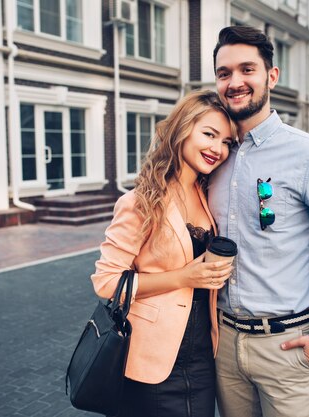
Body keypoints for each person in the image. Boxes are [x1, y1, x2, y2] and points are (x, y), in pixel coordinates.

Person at [208, 26, 309, 417]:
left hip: (289, 348)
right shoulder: (213, 155)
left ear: (272, 75)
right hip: (223, 346)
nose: (235, 82)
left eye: (247, 69)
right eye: (224, 73)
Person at [91, 90, 237, 417]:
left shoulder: (207, 195)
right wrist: (184, 277)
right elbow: (106, 282)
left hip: (201, 354)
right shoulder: (141, 200)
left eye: (227, 142)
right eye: (209, 134)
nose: (218, 149)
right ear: (182, 129)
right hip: (152, 359)